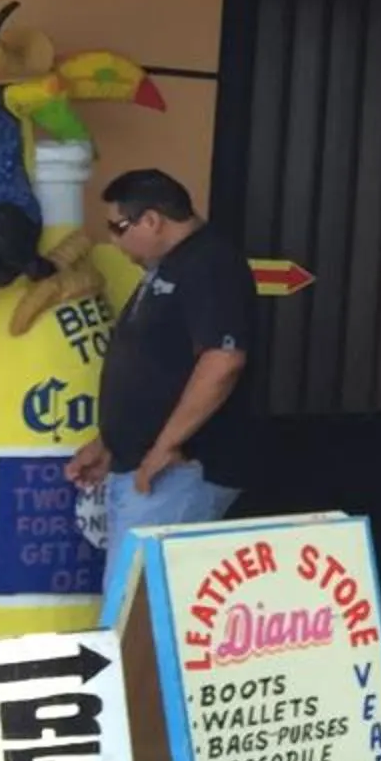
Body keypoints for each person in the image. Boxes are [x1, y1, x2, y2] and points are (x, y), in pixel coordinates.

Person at [66, 169, 257, 607]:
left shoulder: (210, 263)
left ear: (151, 220)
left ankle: (129, 679)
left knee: (133, 616)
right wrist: (109, 441)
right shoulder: (168, 268)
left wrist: (166, 447)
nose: (115, 241)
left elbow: (223, 360)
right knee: (133, 608)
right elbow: (157, 369)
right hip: (143, 463)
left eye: (118, 227)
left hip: (181, 469)